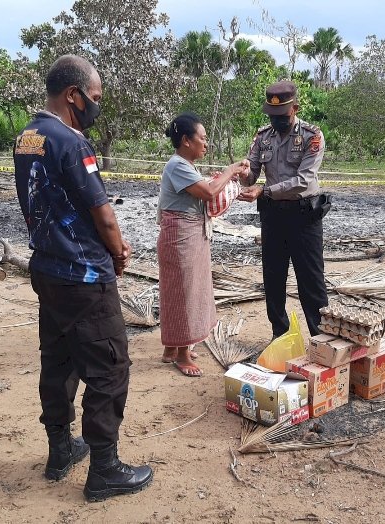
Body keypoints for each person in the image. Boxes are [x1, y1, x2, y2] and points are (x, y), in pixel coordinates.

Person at [13, 54, 152, 502]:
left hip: (47, 269)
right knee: (109, 367)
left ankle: (60, 451)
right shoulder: (73, 143)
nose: (96, 106)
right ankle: (105, 469)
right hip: (84, 273)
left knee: (58, 360)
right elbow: (103, 214)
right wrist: (119, 250)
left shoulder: (27, 137)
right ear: (73, 95)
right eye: (94, 98)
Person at [157, 112, 249, 377]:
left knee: (179, 290)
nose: (206, 144)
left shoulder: (183, 165)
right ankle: (183, 354)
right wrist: (231, 170)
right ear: (186, 140)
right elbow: (208, 192)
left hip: (186, 234)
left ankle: (172, 348)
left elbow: (203, 189)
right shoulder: (177, 165)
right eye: (203, 138)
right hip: (182, 236)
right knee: (185, 292)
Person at [238, 80, 331, 339]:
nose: (277, 121)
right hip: (273, 217)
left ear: (295, 108)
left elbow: (303, 181)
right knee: (274, 279)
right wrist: (242, 173)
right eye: (272, 115)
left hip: (304, 216)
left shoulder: (313, 137)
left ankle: (320, 340)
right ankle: (279, 337)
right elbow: (252, 174)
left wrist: (263, 190)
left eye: (282, 116)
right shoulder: (262, 136)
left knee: (311, 282)